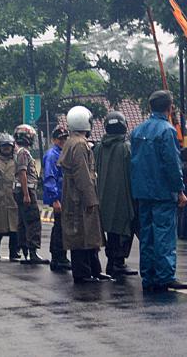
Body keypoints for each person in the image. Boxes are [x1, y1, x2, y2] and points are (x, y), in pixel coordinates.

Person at [130, 90, 187, 292]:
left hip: (142, 192)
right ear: (170, 107)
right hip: (163, 192)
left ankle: (149, 275)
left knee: (146, 235)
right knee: (164, 235)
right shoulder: (167, 131)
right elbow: (172, 164)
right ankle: (165, 275)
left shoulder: (137, 131)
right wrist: (179, 190)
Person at [58, 106, 110, 284]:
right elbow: (83, 174)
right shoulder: (79, 144)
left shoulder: (72, 142)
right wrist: (90, 199)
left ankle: (94, 270)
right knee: (81, 234)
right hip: (79, 197)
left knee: (89, 235)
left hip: (76, 195)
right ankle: (83, 273)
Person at [94, 110, 138, 277]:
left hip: (102, 198)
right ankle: (117, 262)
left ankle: (113, 262)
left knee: (111, 231)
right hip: (123, 198)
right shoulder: (127, 148)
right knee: (123, 229)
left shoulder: (98, 148)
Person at [13, 124, 49, 265]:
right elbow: (22, 173)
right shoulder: (23, 153)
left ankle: (26, 252)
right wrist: (27, 194)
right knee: (33, 221)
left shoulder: (19, 151)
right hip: (26, 190)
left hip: (22, 190)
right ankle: (32, 252)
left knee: (23, 222)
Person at [43, 125, 71, 272]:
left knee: (62, 227)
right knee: (60, 228)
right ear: (54, 140)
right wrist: (55, 199)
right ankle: (58, 257)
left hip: (64, 196)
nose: (63, 141)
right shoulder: (52, 155)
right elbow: (50, 177)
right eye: (60, 139)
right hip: (58, 197)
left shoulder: (63, 153)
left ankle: (60, 256)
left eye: (65, 138)